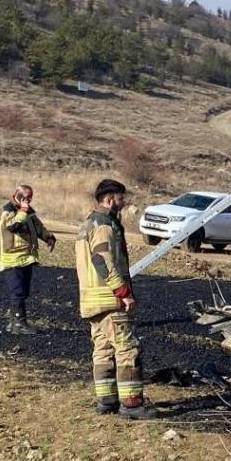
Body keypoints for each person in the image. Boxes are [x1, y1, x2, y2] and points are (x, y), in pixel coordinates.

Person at [75, 179, 154, 419]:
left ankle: (106, 400)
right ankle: (131, 405)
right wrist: (123, 292)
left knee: (102, 351)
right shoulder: (103, 226)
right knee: (127, 349)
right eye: (121, 198)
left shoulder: (87, 224)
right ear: (109, 199)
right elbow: (102, 260)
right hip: (110, 301)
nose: (124, 202)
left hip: (92, 301)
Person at [0, 184, 56, 334]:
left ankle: (13, 323)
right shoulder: (8, 211)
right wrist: (23, 210)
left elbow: (38, 226)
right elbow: (13, 226)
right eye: (26, 197)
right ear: (17, 195)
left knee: (23, 290)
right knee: (17, 291)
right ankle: (19, 322)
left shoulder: (27, 211)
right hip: (13, 258)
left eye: (30, 197)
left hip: (26, 258)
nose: (28, 200)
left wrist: (48, 237)